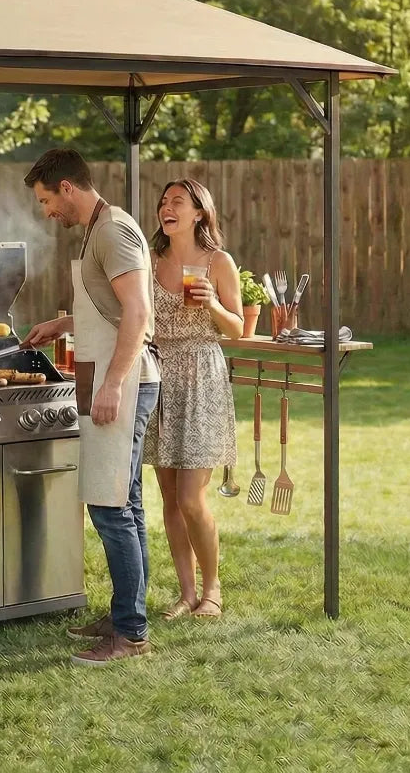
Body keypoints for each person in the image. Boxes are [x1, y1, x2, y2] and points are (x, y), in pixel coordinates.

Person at [23, 148, 160, 666]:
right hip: (105, 379)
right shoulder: (96, 228)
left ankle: (130, 634)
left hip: (119, 382)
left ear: (67, 188)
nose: (46, 212)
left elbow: (138, 312)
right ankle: (127, 614)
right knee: (126, 503)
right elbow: (110, 308)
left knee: (108, 505)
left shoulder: (113, 231)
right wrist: (63, 324)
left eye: (46, 201)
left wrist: (114, 384)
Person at [144, 179, 243, 620]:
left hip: (202, 378)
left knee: (190, 498)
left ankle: (212, 587)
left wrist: (212, 306)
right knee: (168, 496)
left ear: (199, 212)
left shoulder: (218, 262)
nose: (167, 208)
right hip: (158, 375)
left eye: (178, 202)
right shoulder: (149, 261)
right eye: (164, 202)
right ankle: (186, 593)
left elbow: (237, 328)